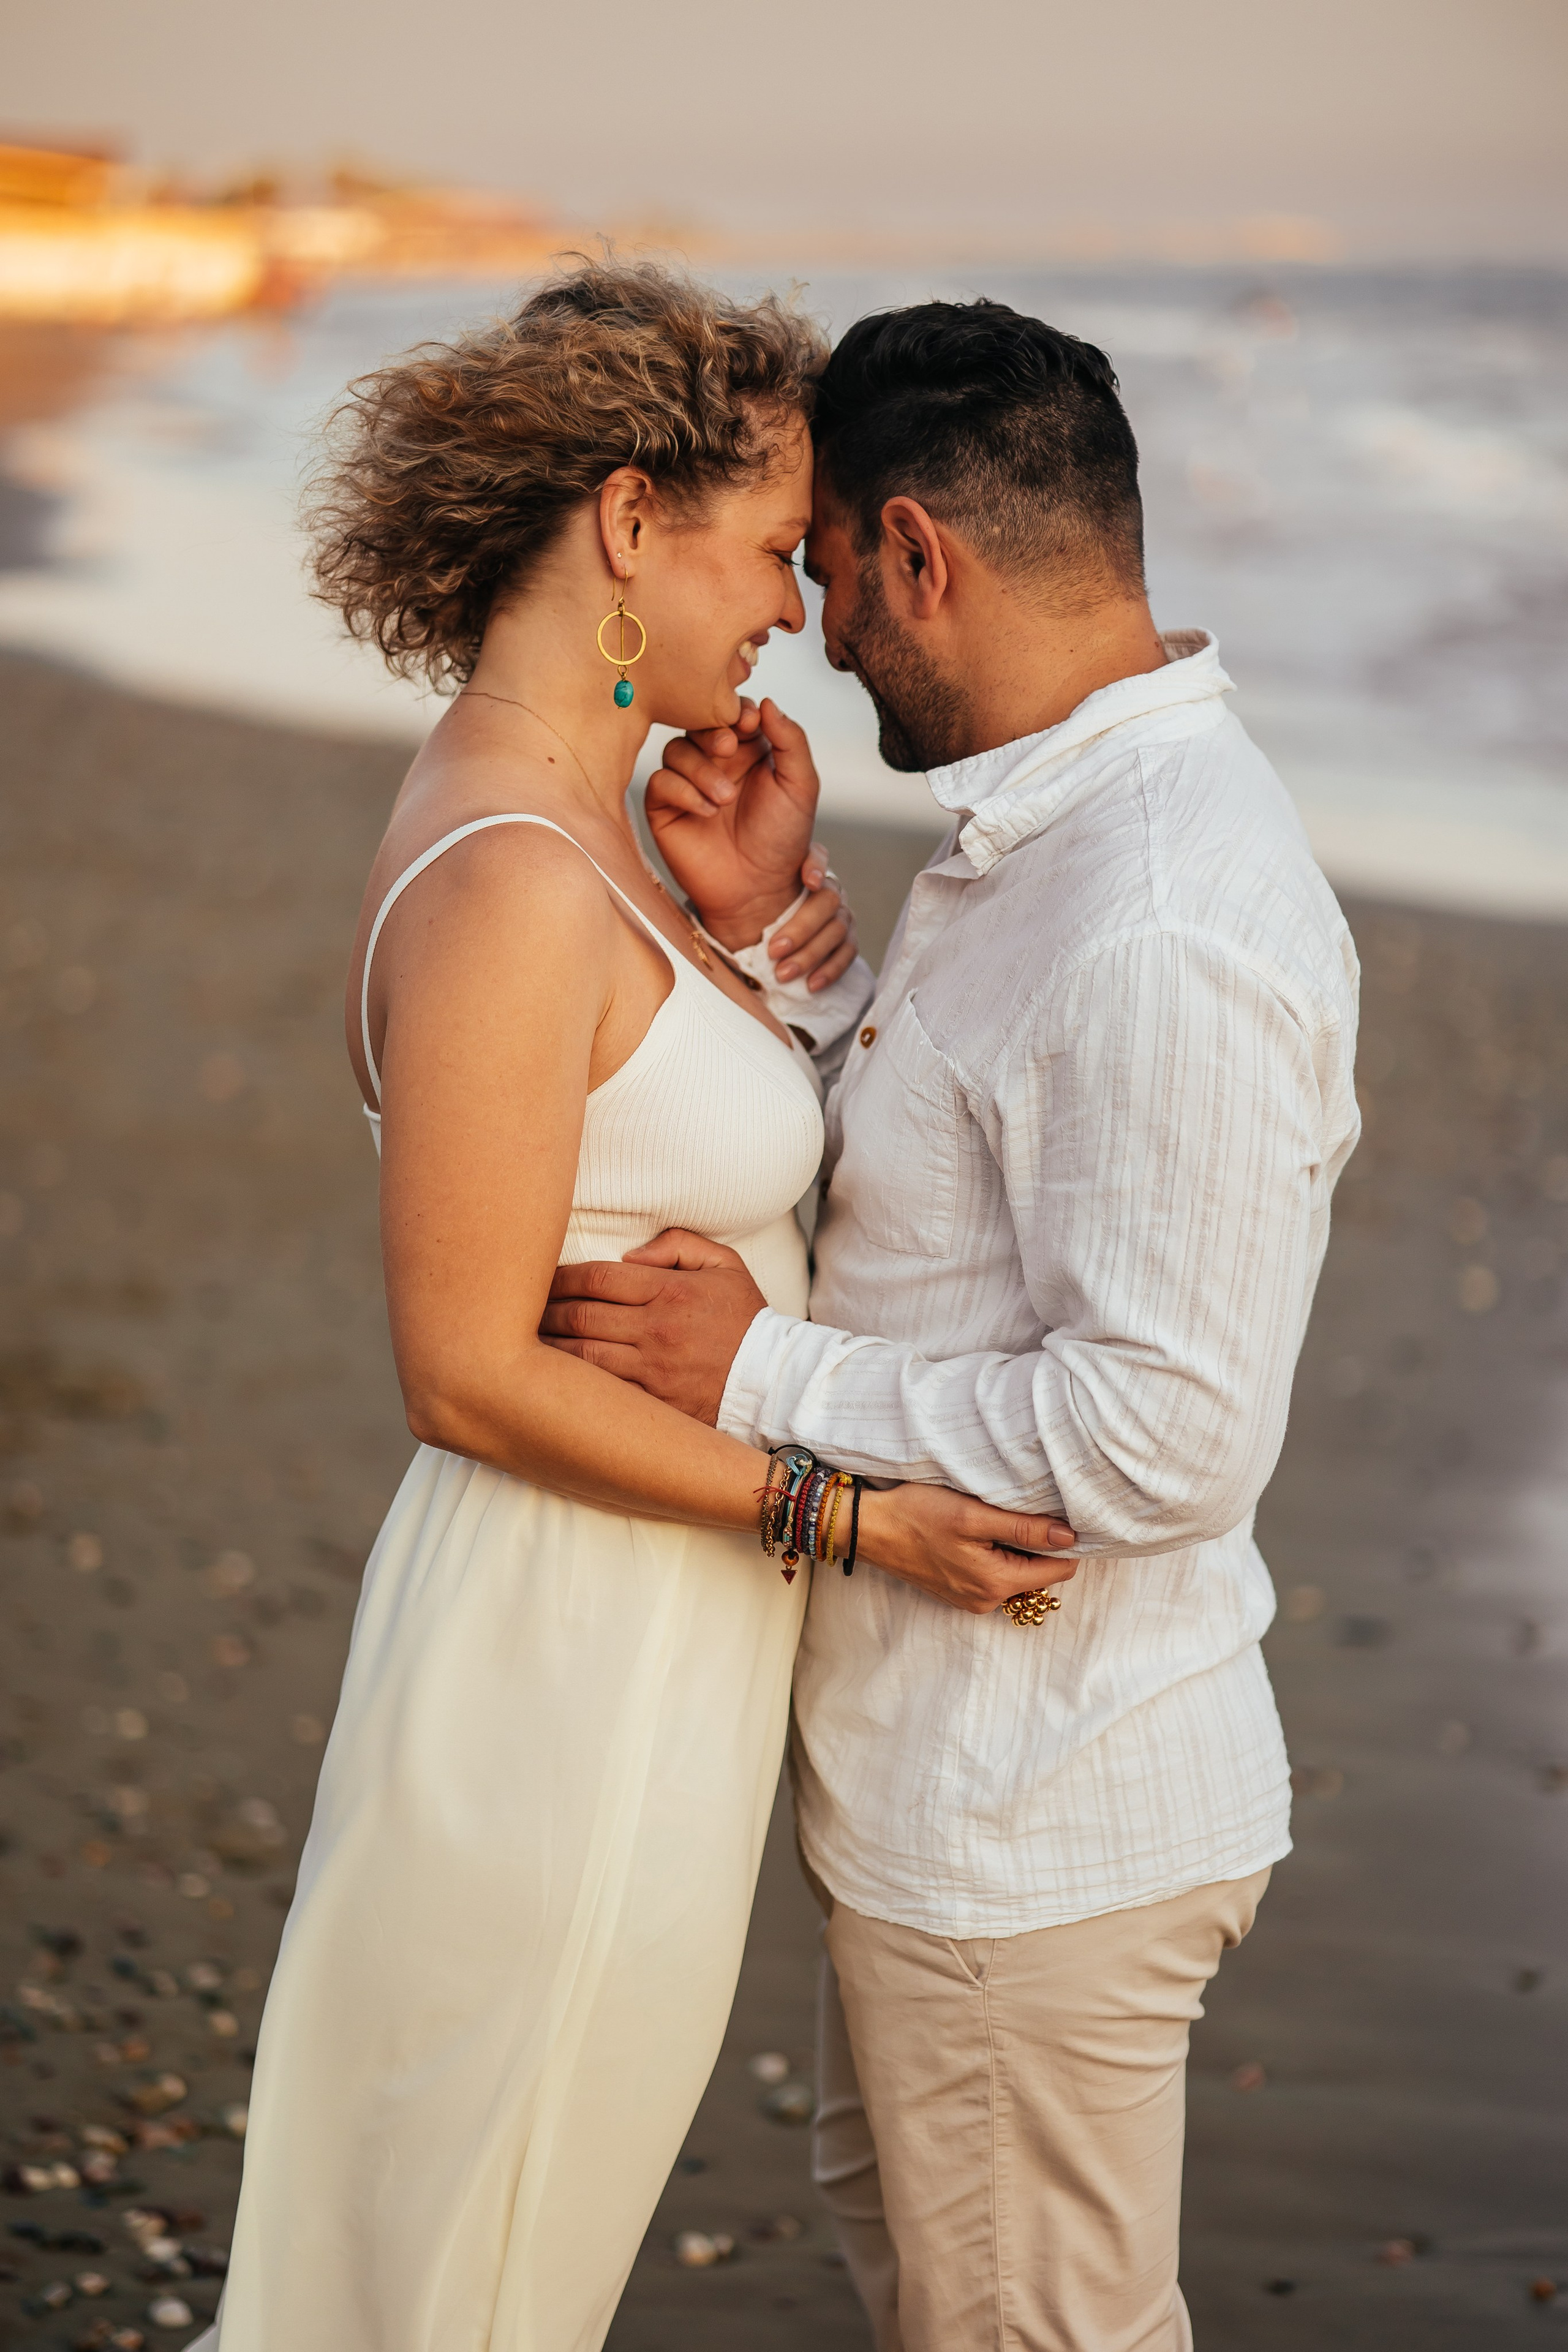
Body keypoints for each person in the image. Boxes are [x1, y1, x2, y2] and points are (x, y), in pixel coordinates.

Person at [194, 263, 1076, 2352]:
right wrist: (852, 1514)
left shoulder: (585, 830)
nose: (795, 605)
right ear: (624, 521)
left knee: (504, 2246)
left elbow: (714, 1171)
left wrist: (768, 936)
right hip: (558, 1668)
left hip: (646, 1643)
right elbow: (465, 1369)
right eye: (772, 548)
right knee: (461, 2264)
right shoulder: (507, 874)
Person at [543, 297, 1363, 2351]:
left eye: (824, 571)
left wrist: (750, 1373)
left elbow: (1167, 1439)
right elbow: (959, 1195)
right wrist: (789, 954)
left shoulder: (1158, 906)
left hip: (1037, 1813)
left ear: (921, 553)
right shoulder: (1048, 832)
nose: (812, 627)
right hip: (948, 1790)